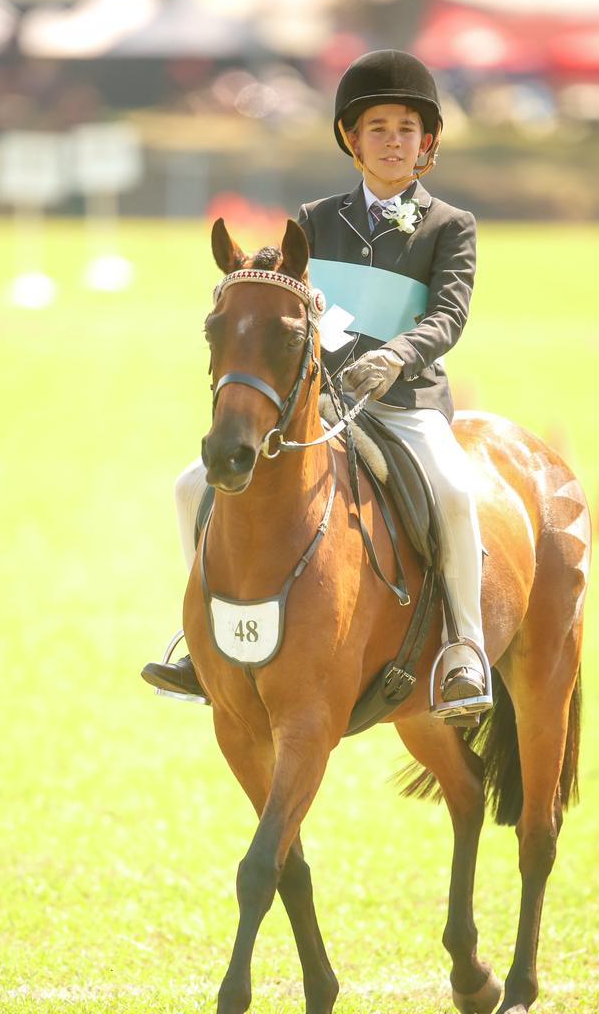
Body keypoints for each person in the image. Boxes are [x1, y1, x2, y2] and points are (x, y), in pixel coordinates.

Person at [142, 49, 489, 716]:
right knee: (192, 485)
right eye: (378, 128)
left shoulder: (451, 227)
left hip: (405, 402)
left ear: (427, 143)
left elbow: (448, 315)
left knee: (452, 491)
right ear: (352, 140)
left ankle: (465, 652)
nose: (393, 141)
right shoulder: (315, 219)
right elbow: (289, 304)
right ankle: (200, 641)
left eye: (407, 129)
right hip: (324, 402)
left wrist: (395, 356)